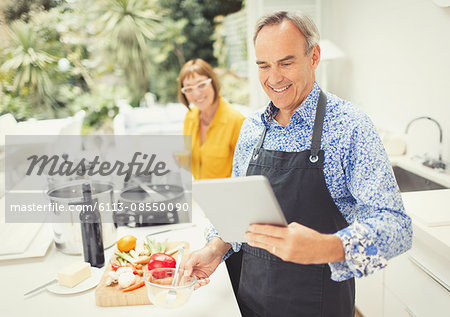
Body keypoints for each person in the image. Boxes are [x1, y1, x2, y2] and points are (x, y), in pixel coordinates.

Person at [182, 11, 413, 317]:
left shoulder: (350, 126)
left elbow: (398, 228)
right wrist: (215, 249)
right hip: (250, 301)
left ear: (314, 56)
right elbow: (238, 218)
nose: (273, 78)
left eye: (286, 63)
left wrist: (327, 247)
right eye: (264, 66)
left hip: (318, 306)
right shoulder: (252, 128)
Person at [177, 58, 245, 180]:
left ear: (213, 82)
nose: (196, 94)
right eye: (188, 89)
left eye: (201, 85)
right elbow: (190, 160)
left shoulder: (236, 121)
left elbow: (245, 172)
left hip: (227, 195)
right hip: (199, 193)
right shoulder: (190, 117)